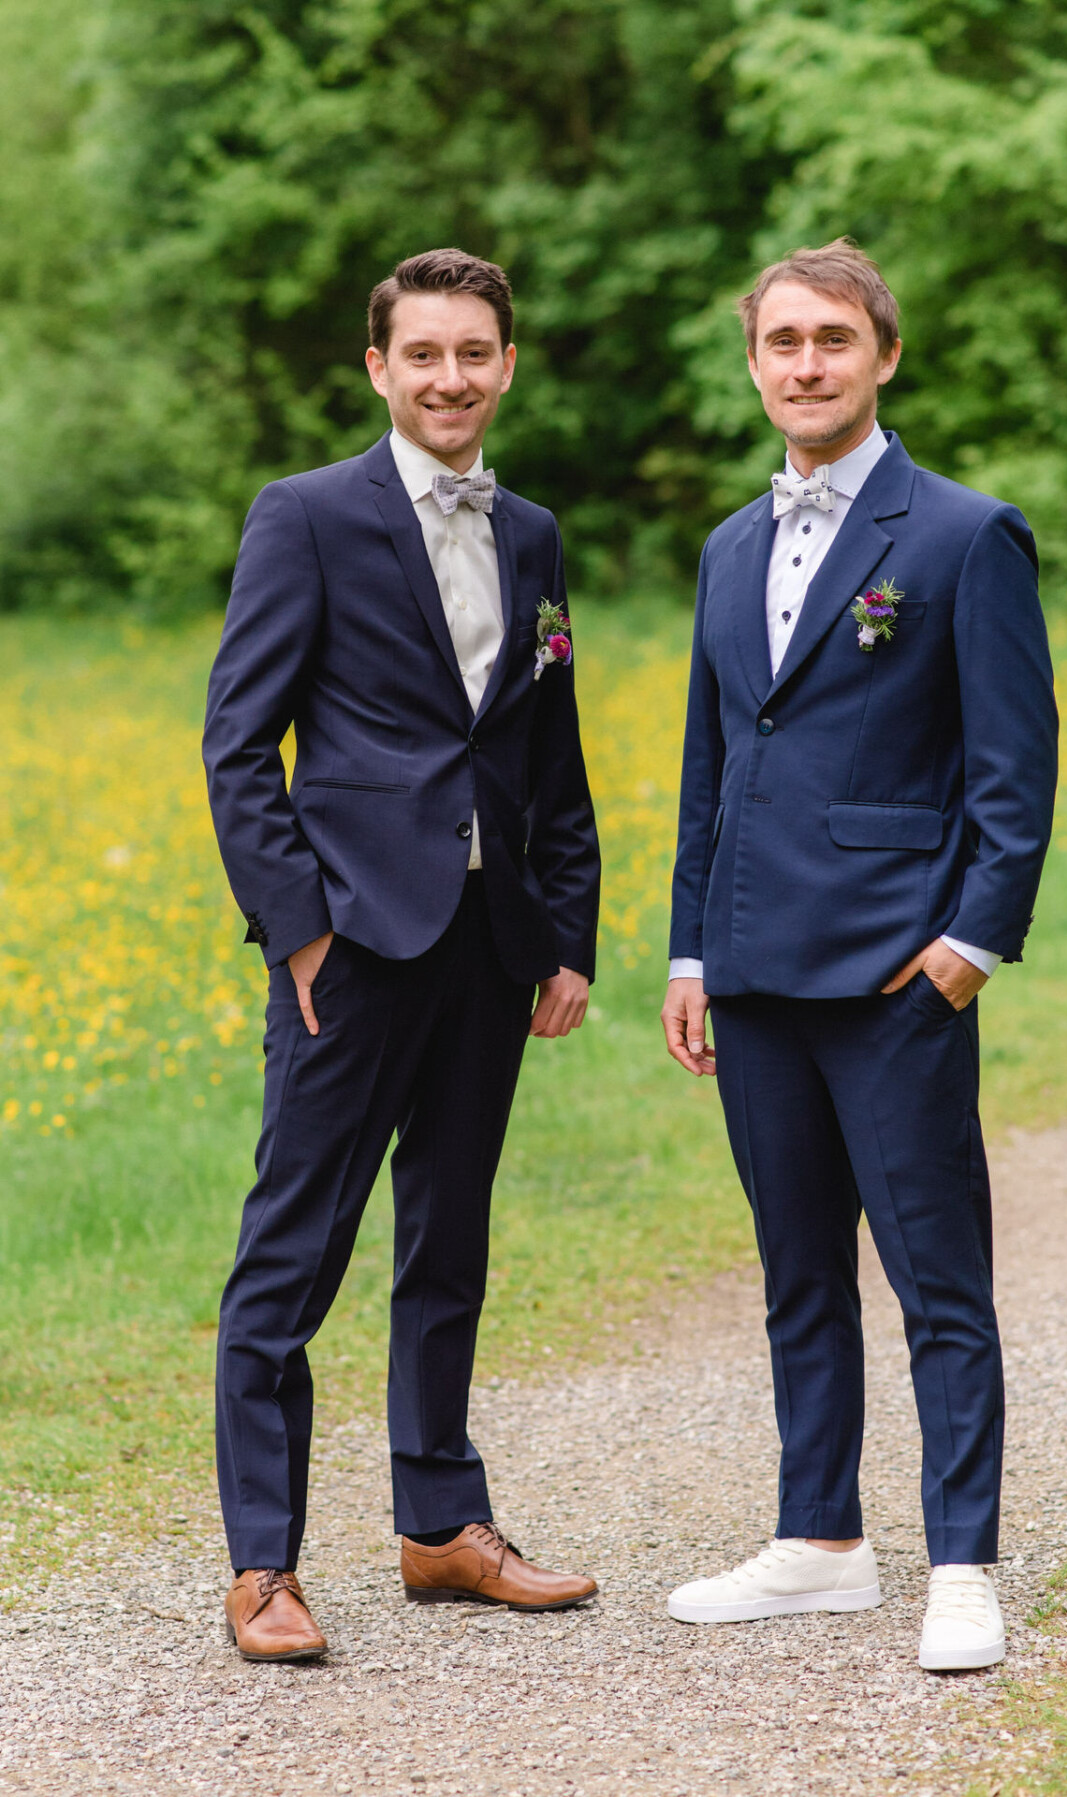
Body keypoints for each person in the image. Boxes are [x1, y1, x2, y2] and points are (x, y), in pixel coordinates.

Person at [660, 239, 1056, 1671]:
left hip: (900, 972)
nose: (806, 363)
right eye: (782, 342)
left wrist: (969, 945)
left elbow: (1014, 771)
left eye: (834, 338)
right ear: (754, 363)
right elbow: (713, 768)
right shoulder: (727, 546)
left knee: (938, 1276)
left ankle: (964, 1560)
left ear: (883, 355)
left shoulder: (963, 535)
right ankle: (818, 1538)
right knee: (795, 1270)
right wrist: (688, 951)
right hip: (754, 972)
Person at [203, 248, 601, 1662]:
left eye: (474, 353)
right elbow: (240, 743)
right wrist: (298, 928)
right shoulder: (304, 517)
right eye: (423, 354)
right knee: (291, 1254)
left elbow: (546, 748)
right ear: (379, 367)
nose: (451, 377)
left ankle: (440, 1528)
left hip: (492, 949)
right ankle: (265, 1568)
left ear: (505, 365)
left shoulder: (535, 532)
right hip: (350, 945)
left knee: (450, 1240)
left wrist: (568, 933)